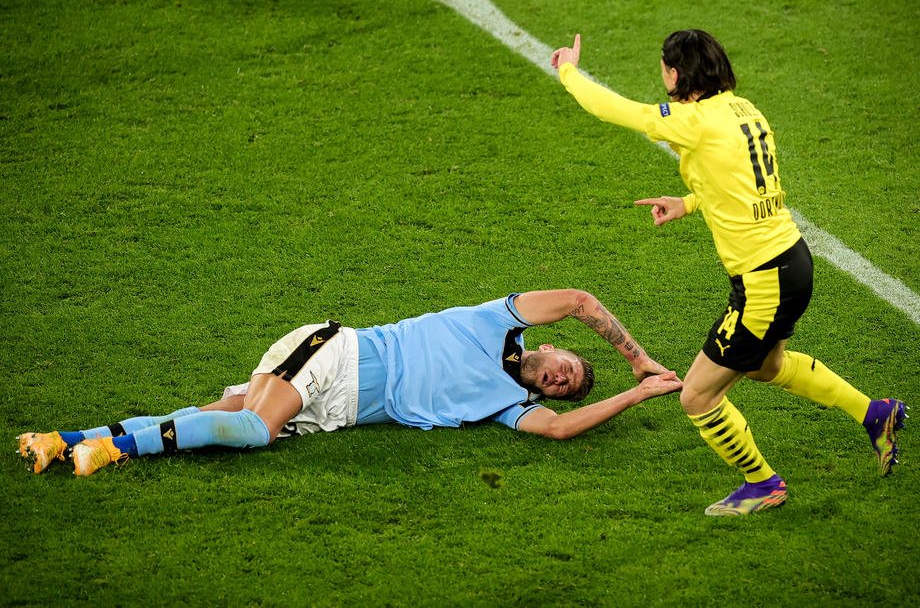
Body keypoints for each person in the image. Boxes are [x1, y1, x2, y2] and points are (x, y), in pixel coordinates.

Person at [551, 31, 906, 515]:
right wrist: (689, 202)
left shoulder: (693, 119)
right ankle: (875, 413)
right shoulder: (745, 110)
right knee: (766, 366)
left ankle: (762, 484)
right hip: (791, 261)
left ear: (675, 74)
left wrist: (568, 70)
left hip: (764, 281)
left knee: (697, 396)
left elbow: (613, 108)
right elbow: (738, 181)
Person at [18, 288, 682, 476]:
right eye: (570, 368)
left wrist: (636, 396)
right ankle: (113, 451)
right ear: (555, 347)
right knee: (253, 429)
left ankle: (61, 439)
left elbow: (561, 430)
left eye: (566, 386)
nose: (563, 379)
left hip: (333, 409)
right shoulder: (497, 321)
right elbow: (580, 300)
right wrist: (635, 358)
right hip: (337, 355)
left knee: (209, 414)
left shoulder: (507, 405)